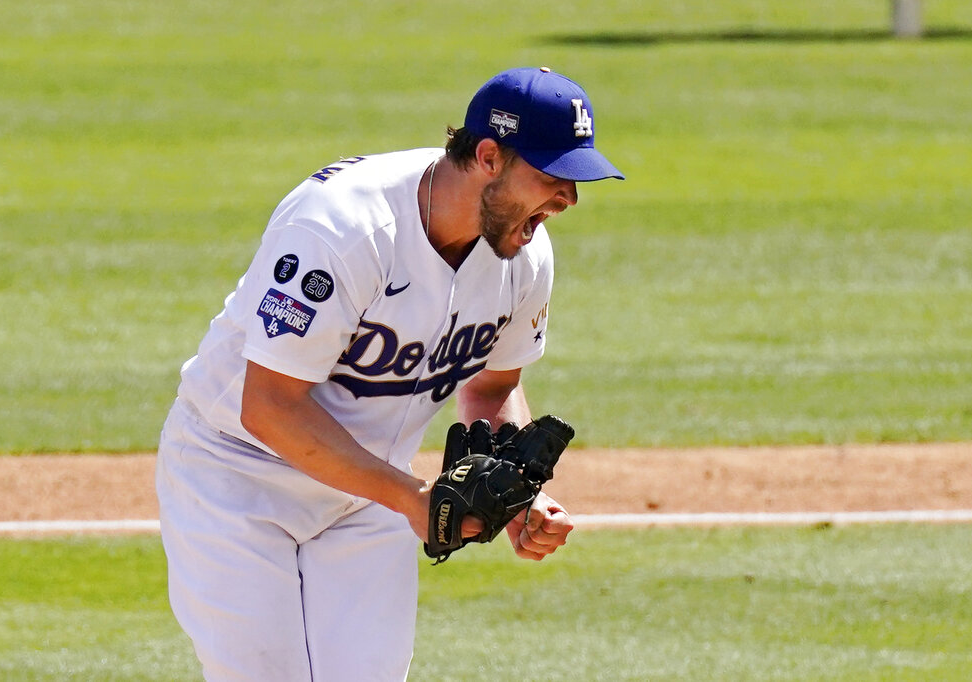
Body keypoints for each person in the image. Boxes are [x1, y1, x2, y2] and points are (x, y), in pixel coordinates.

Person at [155, 66, 624, 681]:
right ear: (488, 156)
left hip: (371, 491)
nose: (567, 198)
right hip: (237, 477)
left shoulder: (523, 253)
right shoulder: (342, 228)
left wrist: (514, 492)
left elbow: (491, 387)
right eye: (551, 177)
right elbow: (269, 406)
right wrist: (414, 499)